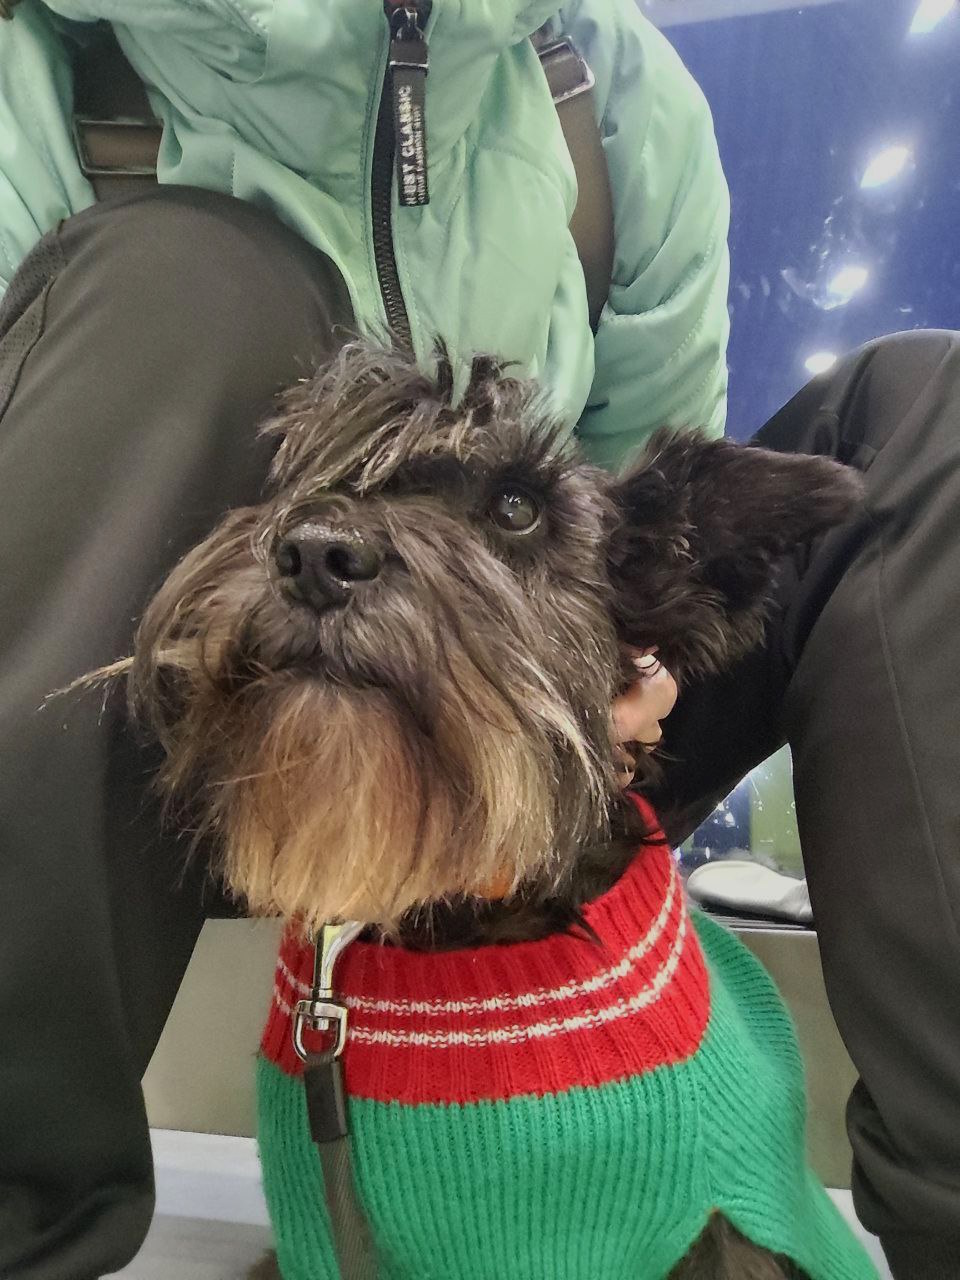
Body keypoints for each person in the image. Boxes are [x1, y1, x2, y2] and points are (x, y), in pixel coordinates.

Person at [0, 2, 956, 1278]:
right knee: (183, 271)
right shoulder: (45, 69)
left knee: (920, 406)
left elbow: (622, 509)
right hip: (162, 743)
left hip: (555, 725)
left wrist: (628, 662)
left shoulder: (613, 89)